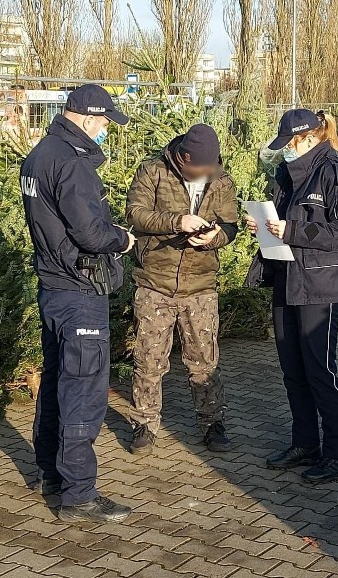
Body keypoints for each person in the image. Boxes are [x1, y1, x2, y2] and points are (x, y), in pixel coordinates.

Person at [20, 84, 136, 523]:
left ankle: (51, 473)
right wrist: (121, 239)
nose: (106, 129)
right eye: (105, 121)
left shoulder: (39, 155)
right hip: (79, 290)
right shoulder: (72, 163)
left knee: (55, 382)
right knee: (83, 392)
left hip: (52, 286)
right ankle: (80, 494)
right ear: (86, 118)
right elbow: (90, 234)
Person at [245, 108, 338, 484]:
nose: (285, 152)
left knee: (320, 371)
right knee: (293, 369)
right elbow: (283, 222)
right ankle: (305, 442)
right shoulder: (288, 173)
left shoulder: (335, 171)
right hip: (286, 278)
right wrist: (263, 225)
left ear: (310, 137)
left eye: (290, 144)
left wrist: (291, 229)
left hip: (320, 286)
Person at [126, 124, 239, 455]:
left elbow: (230, 225)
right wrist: (178, 221)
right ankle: (144, 425)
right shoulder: (153, 171)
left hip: (201, 285)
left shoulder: (221, 180)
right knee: (148, 360)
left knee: (205, 362)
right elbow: (136, 213)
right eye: (200, 169)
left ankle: (212, 423)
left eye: (211, 168)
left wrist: (214, 237)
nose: (207, 174)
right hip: (154, 284)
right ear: (183, 158)